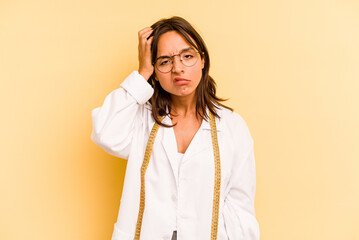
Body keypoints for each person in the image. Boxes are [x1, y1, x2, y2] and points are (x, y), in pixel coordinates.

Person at [91, 16, 259, 240]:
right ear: (155, 73)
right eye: (164, 61)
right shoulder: (141, 119)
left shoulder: (232, 127)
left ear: (202, 60)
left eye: (187, 56)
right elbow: (105, 132)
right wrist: (142, 73)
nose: (178, 68)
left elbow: (240, 209)